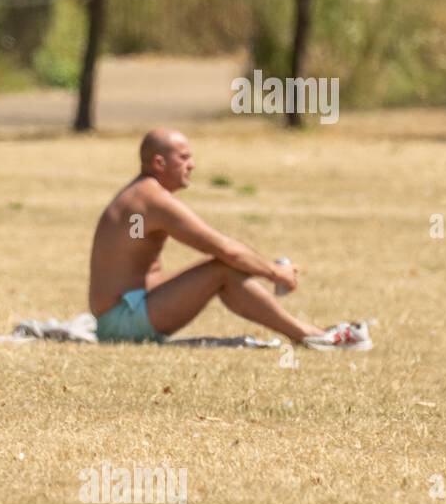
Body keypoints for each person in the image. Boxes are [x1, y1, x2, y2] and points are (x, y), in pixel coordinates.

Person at [87, 128, 371, 350]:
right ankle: (310, 336)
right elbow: (226, 250)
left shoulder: (140, 195)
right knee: (223, 269)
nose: (192, 165)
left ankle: (310, 334)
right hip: (121, 323)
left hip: (120, 316)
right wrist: (276, 273)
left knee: (222, 271)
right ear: (159, 162)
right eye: (184, 158)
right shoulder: (152, 201)